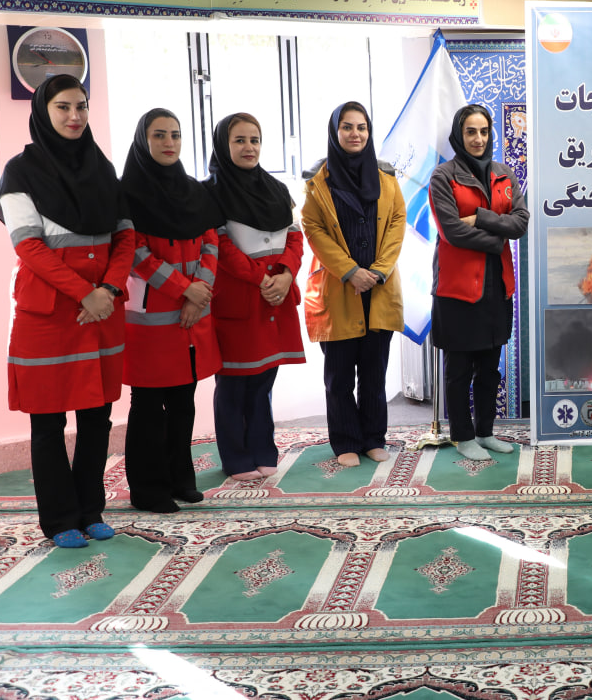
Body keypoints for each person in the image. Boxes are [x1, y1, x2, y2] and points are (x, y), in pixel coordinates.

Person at [0, 74, 134, 548]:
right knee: (48, 422)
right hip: (49, 315)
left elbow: (125, 235)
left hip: (102, 308)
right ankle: (59, 519)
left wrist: (108, 288)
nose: (75, 116)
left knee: (96, 417)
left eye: (81, 106)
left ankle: (91, 510)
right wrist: (85, 293)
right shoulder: (20, 171)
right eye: (63, 107)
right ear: (43, 112)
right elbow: (29, 246)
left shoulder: (102, 166)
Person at [120, 108, 225, 512]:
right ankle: (148, 489)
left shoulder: (194, 191)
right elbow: (136, 253)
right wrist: (186, 289)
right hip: (152, 320)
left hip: (192, 315)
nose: (169, 142)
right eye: (159, 135)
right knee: (148, 405)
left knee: (184, 401)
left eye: (175, 135)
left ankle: (181, 479)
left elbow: (211, 238)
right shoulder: (127, 194)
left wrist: (201, 290)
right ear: (143, 141)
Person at [302, 102, 406, 468]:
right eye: (347, 127)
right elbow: (313, 229)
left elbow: (397, 223)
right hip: (339, 288)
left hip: (378, 288)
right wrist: (350, 271)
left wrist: (377, 271)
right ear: (335, 132)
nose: (355, 133)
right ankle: (346, 441)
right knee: (340, 375)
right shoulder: (318, 183)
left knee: (374, 373)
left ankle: (374, 438)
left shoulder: (386, 179)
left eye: (361, 127)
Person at [204, 112, 306, 481]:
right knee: (234, 382)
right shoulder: (211, 193)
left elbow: (295, 237)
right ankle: (236, 458)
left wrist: (286, 273)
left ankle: (264, 451)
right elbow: (220, 246)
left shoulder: (276, 189)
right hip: (239, 299)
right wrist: (263, 278)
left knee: (263, 380)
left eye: (255, 140)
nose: (249, 147)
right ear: (223, 145)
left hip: (274, 298)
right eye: (240, 140)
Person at [429, 104, 529, 461]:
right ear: (460, 134)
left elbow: (521, 222)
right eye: (470, 131)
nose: (478, 138)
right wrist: (497, 238)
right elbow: (451, 231)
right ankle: (463, 436)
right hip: (457, 289)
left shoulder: (504, 174)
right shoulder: (443, 176)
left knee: (489, 368)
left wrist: (481, 217)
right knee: (459, 369)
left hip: (496, 287)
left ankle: (485, 432)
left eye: (484, 131)